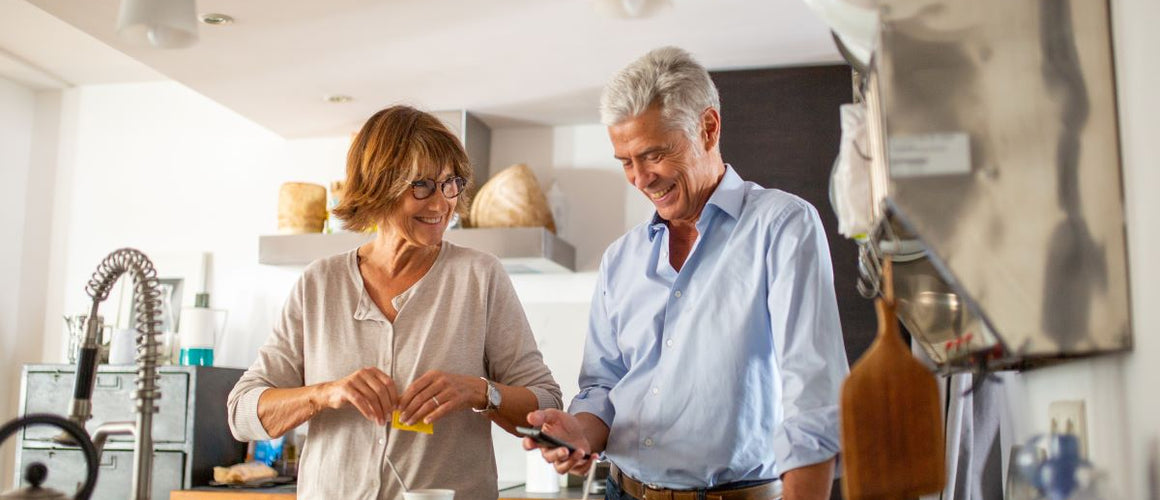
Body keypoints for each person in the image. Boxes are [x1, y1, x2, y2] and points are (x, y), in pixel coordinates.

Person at [524, 47, 849, 500]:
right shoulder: (621, 258)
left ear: (708, 128)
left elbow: (813, 394)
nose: (640, 178)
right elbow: (603, 385)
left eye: (654, 154)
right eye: (625, 161)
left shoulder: (781, 226)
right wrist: (580, 432)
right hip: (622, 490)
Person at [228, 105, 563, 500]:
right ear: (378, 185)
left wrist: (480, 392)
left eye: (450, 183)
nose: (441, 204)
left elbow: (546, 405)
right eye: (421, 185)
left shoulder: (479, 277)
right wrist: (324, 393)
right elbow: (242, 413)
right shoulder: (320, 283)